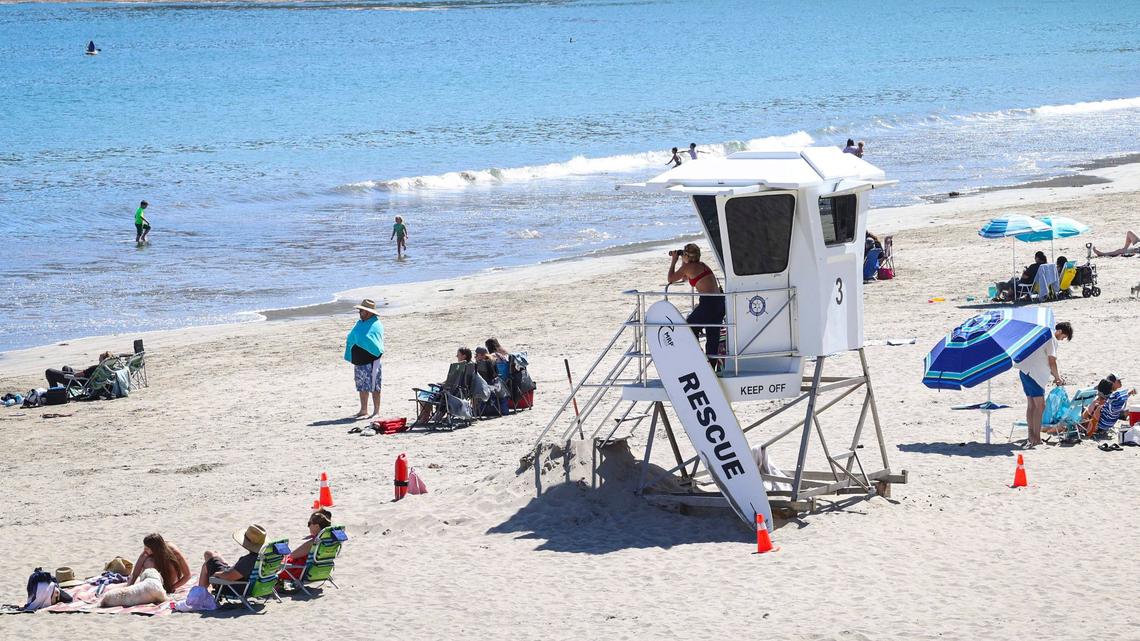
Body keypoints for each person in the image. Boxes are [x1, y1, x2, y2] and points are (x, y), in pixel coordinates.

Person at [1015, 321, 1072, 447]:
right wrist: (1057, 378)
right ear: (1060, 331)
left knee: (1032, 405)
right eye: (1064, 337)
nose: (1062, 340)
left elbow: (1043, 359)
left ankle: (1032, 435)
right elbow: (1052, 361)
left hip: (1025, 371)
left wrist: (1055, 375)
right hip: (1035, 375)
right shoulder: (1052, 339)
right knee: (1040, 406)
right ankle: (1036, 438)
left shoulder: (1044, 334)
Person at [666, 243, 724, 362]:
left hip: (708, 303)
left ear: (686, 256)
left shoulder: (689, 267)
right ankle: (712, 367)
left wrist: (674, 260)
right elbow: (685, 278)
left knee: (689, 328)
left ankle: (698, 358)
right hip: (719, 302)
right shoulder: (702, 265)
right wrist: (683, 260)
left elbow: (671, 278)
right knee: (713, 338)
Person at [344, 299, 385, 419]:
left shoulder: (375, 324)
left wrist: (359, 339)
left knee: (374, 385)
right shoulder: (360, 323)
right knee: (362, 385)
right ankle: (363, 410)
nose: (360, 312)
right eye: (360, 310)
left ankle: (376, 411)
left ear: (368, 312)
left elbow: (373, 342)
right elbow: (353, 336)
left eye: (362, 310)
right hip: (360, 360)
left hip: (372, 360)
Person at [198, 524, 265, 589]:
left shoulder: (249, 560)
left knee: (208, 554)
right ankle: (201, 591)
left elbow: (229, 576)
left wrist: (216, 574)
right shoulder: (265, 557)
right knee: (211, 559)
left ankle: (200, 593)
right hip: (250, 584)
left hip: (231, 586)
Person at [124, 533, 191, 594]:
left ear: (155, 548)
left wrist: (172, 587)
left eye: (147, 548)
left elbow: (187, 575)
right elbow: (135, 574)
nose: (144, 550)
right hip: (155, 581)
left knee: (170, 564)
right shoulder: (145, 553)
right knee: (149, 562)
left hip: (170, 581)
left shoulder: (174, 552)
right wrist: (128, 589)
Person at [278, 512, 333, 583]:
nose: (308, 526)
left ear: (316, 526)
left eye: (309, 524)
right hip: (318, 570)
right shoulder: (328, 542)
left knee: (275, 564)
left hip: (299, 571)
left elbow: (292, 555)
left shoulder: (313, 543)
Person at [45, 351, 114, 387]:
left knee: (49, 371)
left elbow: (78, 375)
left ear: (103, 360)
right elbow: (85, 373)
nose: (98, 359)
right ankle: (64, 391)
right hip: (87, 379)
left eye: (100, 358)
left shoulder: (95, 368)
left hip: (79, 381)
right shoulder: (108, 368)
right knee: (66, 368)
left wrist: (75, 373)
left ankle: (54, 389)